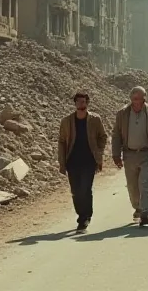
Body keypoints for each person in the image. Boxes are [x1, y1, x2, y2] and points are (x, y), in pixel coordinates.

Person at [112, 86, 148, 227]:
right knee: (132, 186)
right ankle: (138, 207)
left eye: (140, 99)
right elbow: (116, 134)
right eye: (135, 99)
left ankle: (146, 212)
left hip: (147, 154)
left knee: (146, 184)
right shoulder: (122, 114)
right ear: (130, 99)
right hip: (129, 154)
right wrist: (116, 154)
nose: (137, 102)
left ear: (144, 98)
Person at [57, 90, 108, 232]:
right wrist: (62, 162)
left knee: (85, 189)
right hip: (72, 161)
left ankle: (84, 218)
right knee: (75, 191)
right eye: (79, 101)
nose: (82, 104)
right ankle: (81, 213)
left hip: (89, 161)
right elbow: (61, 141)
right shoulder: (67, 121)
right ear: (75, 103)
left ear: (87, 103)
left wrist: (98, 152)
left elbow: (103, 136)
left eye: (84, 102)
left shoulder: (94, 119)